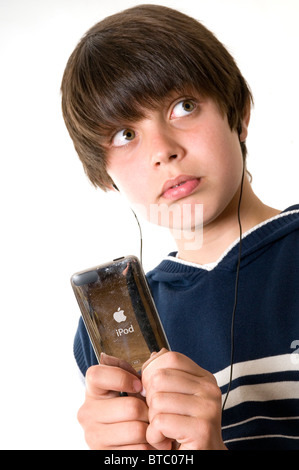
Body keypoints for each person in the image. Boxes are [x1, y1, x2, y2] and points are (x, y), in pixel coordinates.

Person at [61, 4, 299, 450]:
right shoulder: (105, 336)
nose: (162, 151)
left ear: (239, 112)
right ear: (105, 173)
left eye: (183, 107)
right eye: (124, 134)